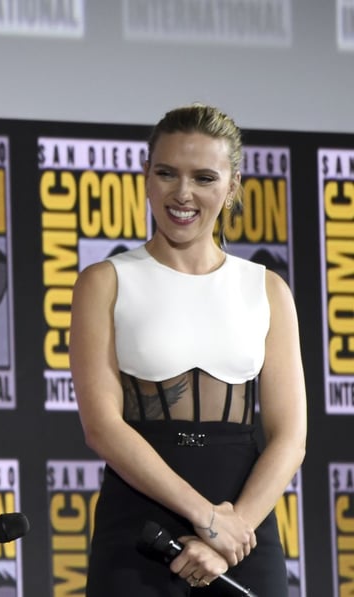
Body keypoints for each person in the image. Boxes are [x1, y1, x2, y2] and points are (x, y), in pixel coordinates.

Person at [69, 103, 306, 596]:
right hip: (139, 526)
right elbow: (103, 428)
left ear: (232, 185)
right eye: (167, 173)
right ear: (146, 175)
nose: (182, 194)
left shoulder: (266, 289)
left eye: (203, 177)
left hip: (244, 528)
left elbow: (290, 438)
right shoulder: (105, 282)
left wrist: (229, 532)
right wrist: (206, 518)